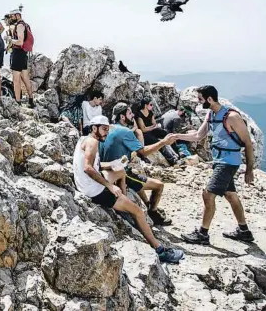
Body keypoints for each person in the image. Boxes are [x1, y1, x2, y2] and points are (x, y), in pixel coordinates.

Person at [73, 115, 184, 264]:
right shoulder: (93, 142)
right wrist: (109, 185)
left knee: (120, 172)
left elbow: (94, 166)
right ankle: (160, 250)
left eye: (107, 129)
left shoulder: (84, 139)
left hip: (83, 185)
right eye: (104, 129)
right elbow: (88, 168)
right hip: (95, 190)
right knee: (138, 211)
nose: (106, 132)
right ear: (94, 128)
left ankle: (123, 202)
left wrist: (112, 165)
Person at [173, 85, 255, 245]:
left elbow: (248, 143)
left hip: (228, 162)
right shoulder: (211, 114)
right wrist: (175, 136)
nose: (198, 102)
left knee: (208, 194)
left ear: (210, 99)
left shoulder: (231, 117)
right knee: (230, 195)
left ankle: (203, 234)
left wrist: (249, 170)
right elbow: (198, 135)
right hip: (220, 161)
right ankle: (244, 231)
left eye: (200, 99)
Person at [100, 103, 178, 225]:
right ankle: (154, 214)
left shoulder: (107, 128)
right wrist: (163, 142)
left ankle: (147, 205)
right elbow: (143, 152)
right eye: (130, 113)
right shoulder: (125, 131)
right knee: (159, 185)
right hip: (120, 172)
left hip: (105, 170)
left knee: (139, 180)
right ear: (122, 117)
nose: (133, 116)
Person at [134, 98, 180, 165]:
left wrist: (152, 127)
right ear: (145, 105)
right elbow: (143, 129)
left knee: (168, 134)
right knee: (159, 142)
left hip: (152, 130)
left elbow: (154, 123)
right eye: (151, 104)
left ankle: (178, 153)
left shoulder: (150, 112)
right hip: (145, 135)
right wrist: (153, 127)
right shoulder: (139, 115)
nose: (152, 106)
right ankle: (172, 160)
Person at [7, 9, 34, 108]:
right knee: (26, 79)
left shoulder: (19, 25)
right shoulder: (25, 25)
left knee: (16, 79)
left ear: (17, 15)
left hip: (18, 54)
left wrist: (10, 40)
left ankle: (18, 102)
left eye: (12, 16)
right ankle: (31, 100)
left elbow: (20, 42)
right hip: (23, 54)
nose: (11, 18)